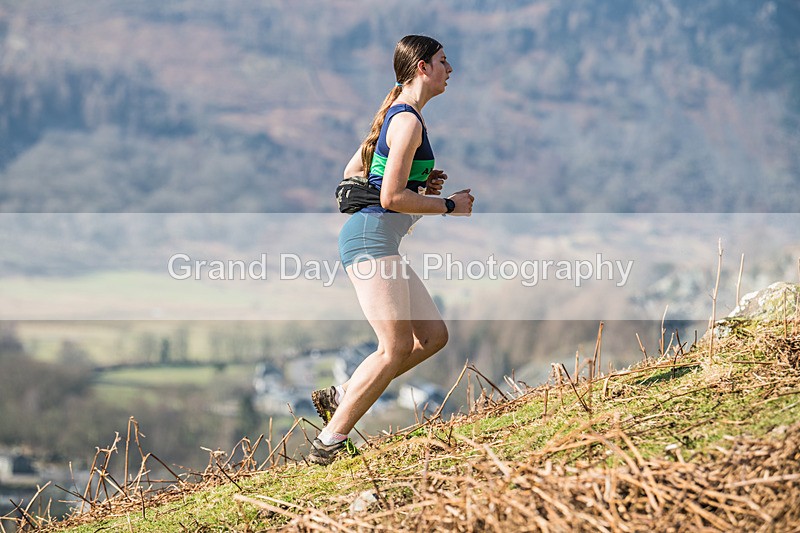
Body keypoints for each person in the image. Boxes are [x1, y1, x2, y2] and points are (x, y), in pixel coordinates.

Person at [309, 35, 474, 465]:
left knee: (432, 336)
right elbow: (390, 197)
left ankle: (345, 393)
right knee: (395, 346)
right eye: (443, 60)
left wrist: (420, 183)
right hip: (370, 238)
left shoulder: (403, 116)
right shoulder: (407, 121)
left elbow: (364, 174)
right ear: (422, 67)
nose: (450, 69)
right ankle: (329, 442)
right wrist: (448, 205)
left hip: (380, 240)